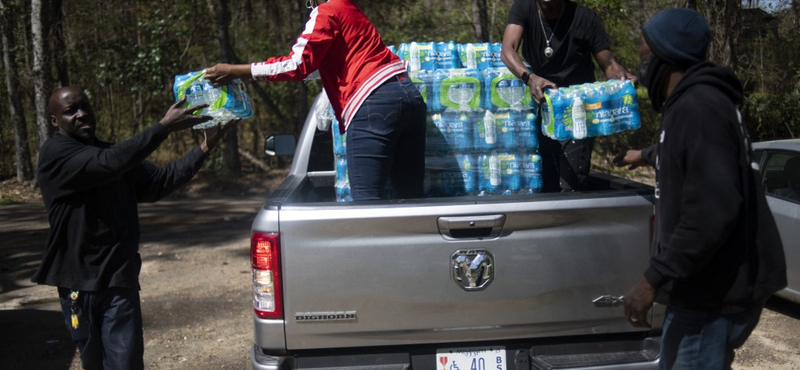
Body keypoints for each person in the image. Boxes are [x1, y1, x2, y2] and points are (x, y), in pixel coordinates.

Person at [614, 8, 787, 369]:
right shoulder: (695, 106)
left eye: (644, 55)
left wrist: (651, 280)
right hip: (703, 289)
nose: (640, 65)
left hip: (712, 295)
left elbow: (711, 212)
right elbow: (684, 154)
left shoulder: (699, 107)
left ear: (666, 57)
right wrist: (640, 155)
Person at [32, 86, 234, 370]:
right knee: (94, 362)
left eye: (85, 107)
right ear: (55, 121)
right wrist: (163, 127)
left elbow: (159, 181)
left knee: (125, 363)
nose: (81, 114)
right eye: (70, 111)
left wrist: (205, 147)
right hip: (78, 283)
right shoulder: (56, 153)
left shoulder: (112, 154)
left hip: (118, 277)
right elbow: (109, 164)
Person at [204, 0, 427, 201]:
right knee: (410, 197)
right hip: (409, 95)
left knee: (366, 202)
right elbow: (316, 66)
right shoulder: (350, 9)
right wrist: (254, 74)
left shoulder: (327, 11)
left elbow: (297, 65)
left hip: (373, 101)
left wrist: (240, 70)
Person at [501, 0, 635, 192]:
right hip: (542, 105)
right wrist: (530, 78)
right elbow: (508, 50)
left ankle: (571, 219)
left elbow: (609, 65)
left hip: (577, 112)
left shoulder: (585, 18)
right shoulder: (524, 8)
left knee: (571, 183)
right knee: (545, 177)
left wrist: (622, 78)